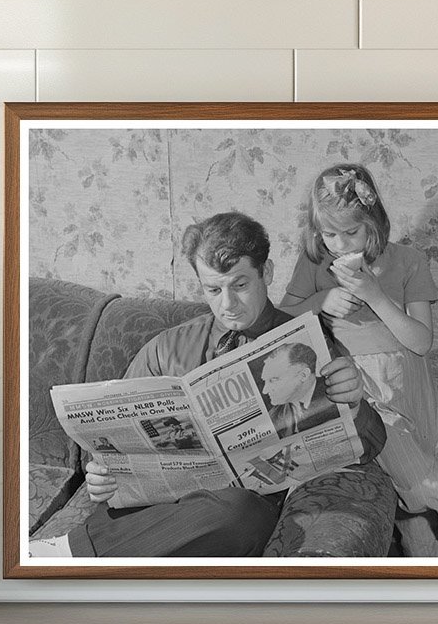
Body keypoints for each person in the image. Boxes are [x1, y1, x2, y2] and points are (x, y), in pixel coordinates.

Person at [61, 211, 387, 559]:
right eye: (213, 289)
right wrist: (100, 473)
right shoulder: (165, 348)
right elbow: (109, 445)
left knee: (240, 514)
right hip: (156, 512)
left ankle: (80, 557)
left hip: (236, 517)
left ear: (268, 273)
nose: (227, 305)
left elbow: (370, 446)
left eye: (240, 285)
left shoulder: (304, 343)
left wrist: (352, 403)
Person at [280, 163, 438, 556]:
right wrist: (319, 302)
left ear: (374, 223)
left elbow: (421, 342)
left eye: (352, 232)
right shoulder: (314, 263)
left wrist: (375, 294)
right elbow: (284, 317)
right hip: (357, 382)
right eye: (330, 234)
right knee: (407, 467)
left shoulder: (409, 260)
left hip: (407, 380)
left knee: (425, 525)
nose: (342, 245)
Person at [258, 341, 337, 438]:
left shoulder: (336, 391)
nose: (265, 391)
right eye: (265, 381)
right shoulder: (274, 416)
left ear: (303, 375)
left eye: (273, 380)